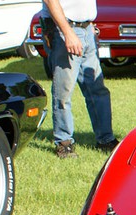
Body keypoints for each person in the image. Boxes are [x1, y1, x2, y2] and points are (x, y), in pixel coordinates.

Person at [40, 0, 118, 159]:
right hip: (64, 29)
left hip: (86, 28)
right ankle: (64, 143)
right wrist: (67, 33)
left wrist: (90, 28)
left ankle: (106, 140)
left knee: (97, 89)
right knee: (63, 91)